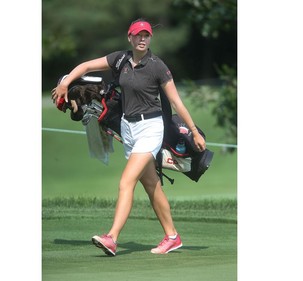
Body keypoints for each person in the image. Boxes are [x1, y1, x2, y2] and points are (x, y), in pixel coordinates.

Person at [51, 19, 206, 256]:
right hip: (128, 129)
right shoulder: (120, 59)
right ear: (130, 38)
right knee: (151, 184)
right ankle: (173, 236)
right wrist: (65, 83)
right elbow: (85, 67)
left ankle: (112, 237)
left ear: (150, 39)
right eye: (138, 35)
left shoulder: (157, 66)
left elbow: (176, 101)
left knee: (126, 181)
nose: (142, 39)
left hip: (150, 128)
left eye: (146, 35)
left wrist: (194, 131)